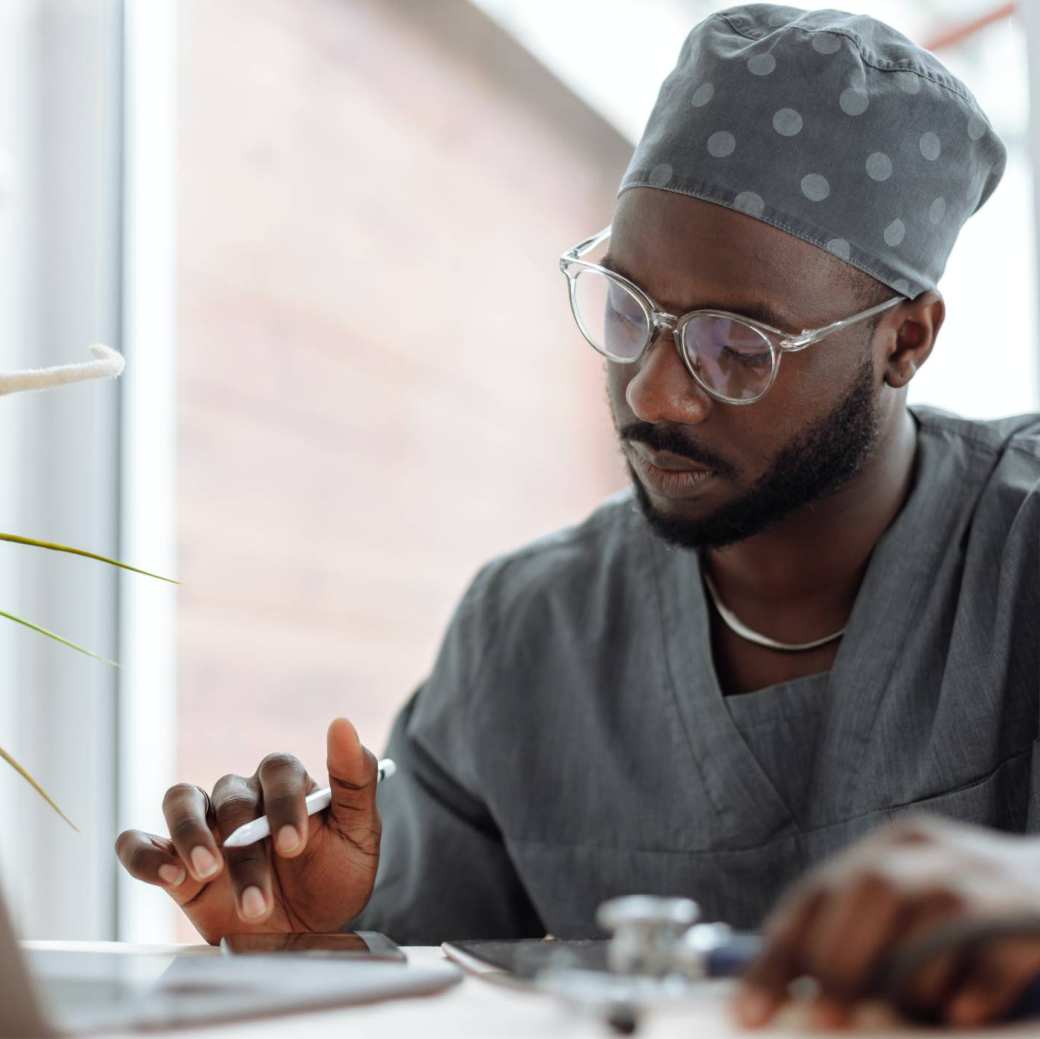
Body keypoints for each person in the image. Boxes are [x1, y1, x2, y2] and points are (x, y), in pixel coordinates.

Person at [116, 4, 1040, 1028]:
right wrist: (316, 940)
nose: (654, 394)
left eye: (738, 349)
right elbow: (426, 979)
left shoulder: (1019, 552)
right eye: (627, 311)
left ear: (903, 343)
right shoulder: (531, 635)